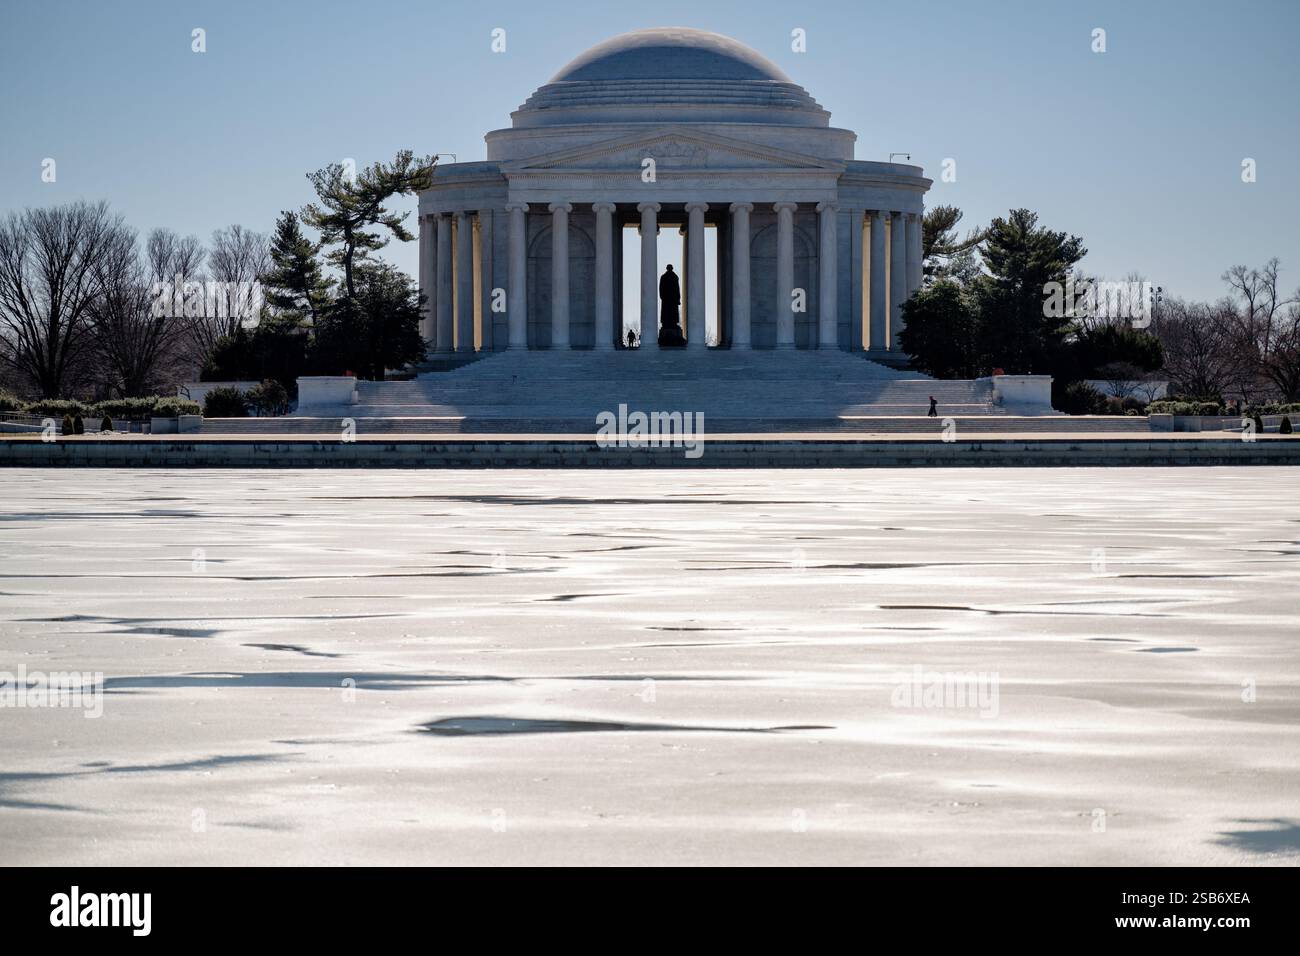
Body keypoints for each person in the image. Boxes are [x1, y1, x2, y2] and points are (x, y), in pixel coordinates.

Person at [657, 265, 686, 347]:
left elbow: (661, 288)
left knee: (669, 313)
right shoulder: (673, 276)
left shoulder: (665, 277)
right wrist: (678, 298)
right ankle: (670, 324)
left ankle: (668, 324)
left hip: (668, 299)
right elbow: (677, 288)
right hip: (670, 299)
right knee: (671, 313)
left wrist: (662, 296)